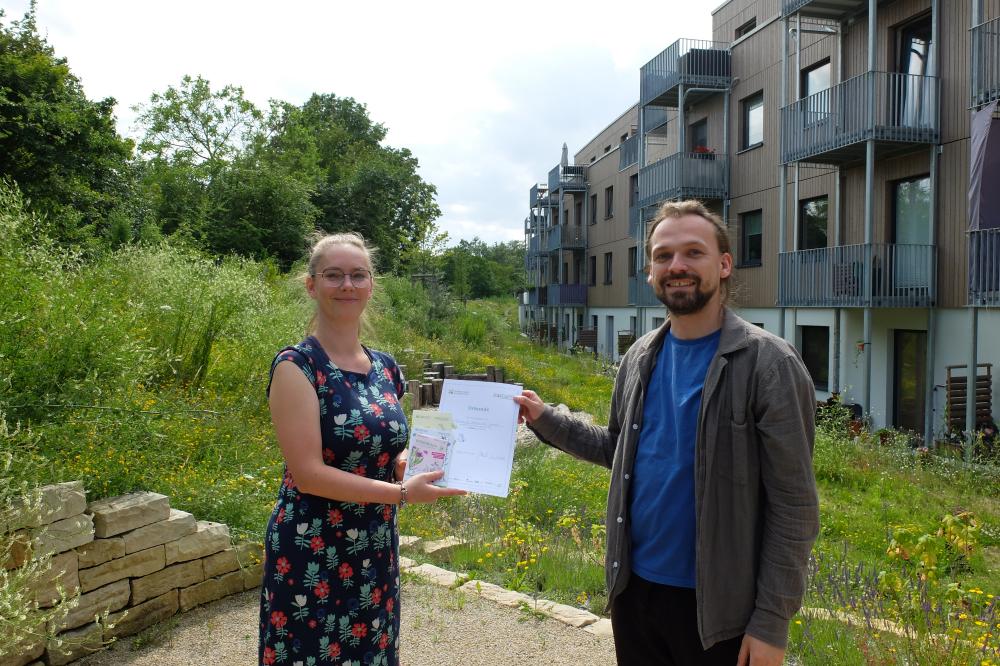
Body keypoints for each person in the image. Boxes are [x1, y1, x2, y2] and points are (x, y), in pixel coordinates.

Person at [515, 200, 819, 666]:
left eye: (692, 253)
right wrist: (545, 417)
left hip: (720, 612)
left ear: (723, 264)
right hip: (634, 593)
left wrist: (771, 623)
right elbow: (618, 448)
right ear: (651, 271)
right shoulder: (640, 356)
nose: (676, 266)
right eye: (663, 256)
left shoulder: (769, 364)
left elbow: (794, 506)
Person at [259, 232, 465, 666]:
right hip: (312, 546)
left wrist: (407, 464)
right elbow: (308, 472)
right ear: (311, 285)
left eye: (358, 275)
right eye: (333, 275)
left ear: (372, 285)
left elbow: (386, 448)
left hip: (372, 545)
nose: (347, 285)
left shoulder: (385, 366)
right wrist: (404, 494)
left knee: (371, 652)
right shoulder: (297, 367)